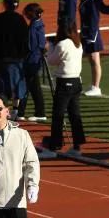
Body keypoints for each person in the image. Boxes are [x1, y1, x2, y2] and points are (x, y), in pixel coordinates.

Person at [41, 23, 86, 158]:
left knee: (58, 115)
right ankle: (77, 145)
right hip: (76, 81)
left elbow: (51, 61)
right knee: (74, 115)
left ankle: (54, 146)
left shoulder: (62, 44)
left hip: (65, 82)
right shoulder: (77, 43)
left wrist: (50, 48)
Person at [17, 3, 46, 121]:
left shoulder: (34, 27)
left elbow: (30, 45)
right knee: (32, 87)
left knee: (30, 87)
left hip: (31, 61)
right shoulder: (38, 24)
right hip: (35, 60)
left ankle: (35, 112)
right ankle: (22, 112)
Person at [78, 0, 105, 97]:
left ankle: (96, 87)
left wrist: (91, 36)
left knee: (95, 60)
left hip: (92, 33)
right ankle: (93, 85)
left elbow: (94, 18)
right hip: (85, 31)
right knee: (90, 60)